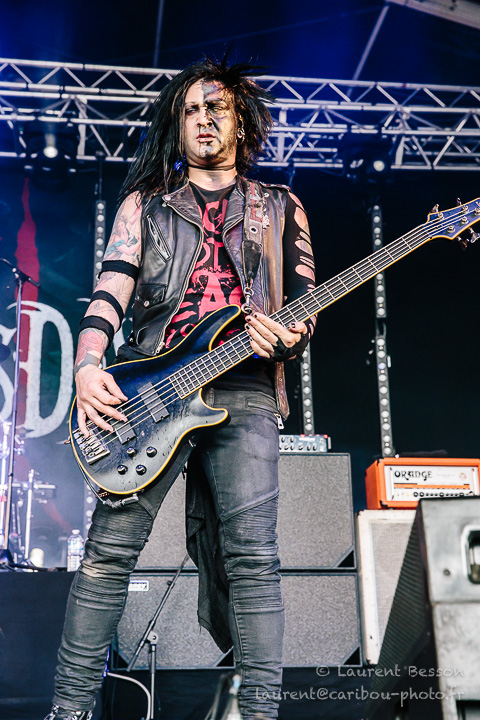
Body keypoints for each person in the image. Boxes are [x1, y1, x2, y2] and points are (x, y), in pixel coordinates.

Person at [45, 55, 316, 720]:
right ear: (178, 124)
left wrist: (288, 336)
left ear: (241, 121)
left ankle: (259, 713)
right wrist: (87, 365)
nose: (203, 119)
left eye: (215, 107)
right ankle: (69, 711)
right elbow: (110, 290)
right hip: (152, 386)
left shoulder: (280, 206)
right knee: (108, 555)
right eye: (191, 109)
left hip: (246, 388)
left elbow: (304, 308)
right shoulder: (146, 206)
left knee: (253, 559)